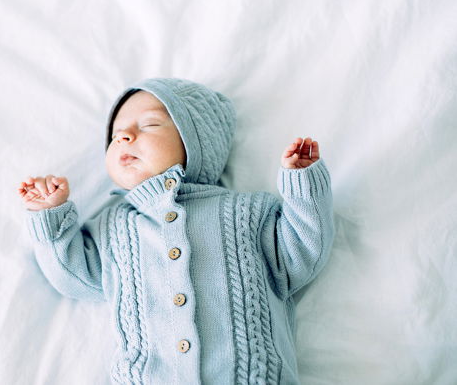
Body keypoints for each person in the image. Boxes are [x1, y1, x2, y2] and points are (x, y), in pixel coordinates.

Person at [17, 77, 334, 384]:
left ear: (196, 142)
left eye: (150, 125)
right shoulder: (113, 227)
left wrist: (303, 186)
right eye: (115, 135)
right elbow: (74, 278)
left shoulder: (247, 213)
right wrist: (50, 215)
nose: (125, 136)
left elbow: (304, 253)